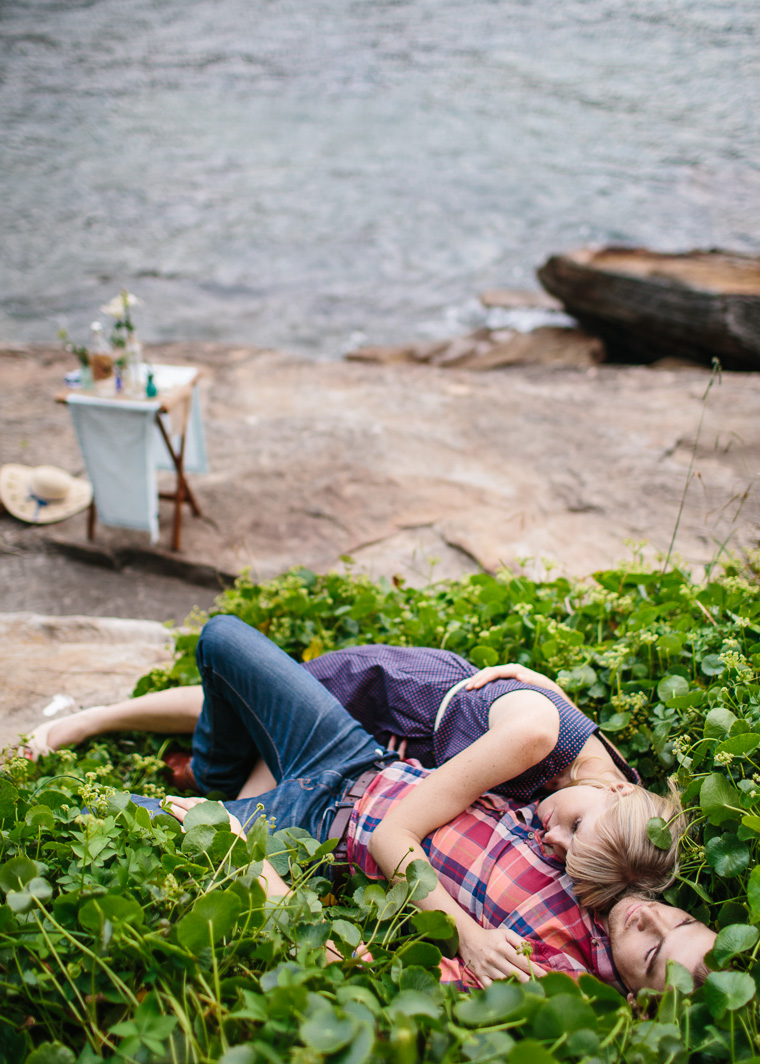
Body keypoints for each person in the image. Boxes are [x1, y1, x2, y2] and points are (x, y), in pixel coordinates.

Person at [25, 615, 698, 988]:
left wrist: (265, 879)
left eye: (649, 954)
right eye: (673, 920)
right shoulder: (621, 862)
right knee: (223, 636)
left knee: (110, 818)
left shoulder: (553, 974)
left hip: (310, 828)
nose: (648, 922)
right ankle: (218, 772)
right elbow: (603, 780)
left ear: (639, 1002)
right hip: (358, 753)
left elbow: (372, 976)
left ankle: (220, 793)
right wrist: (544, 688)